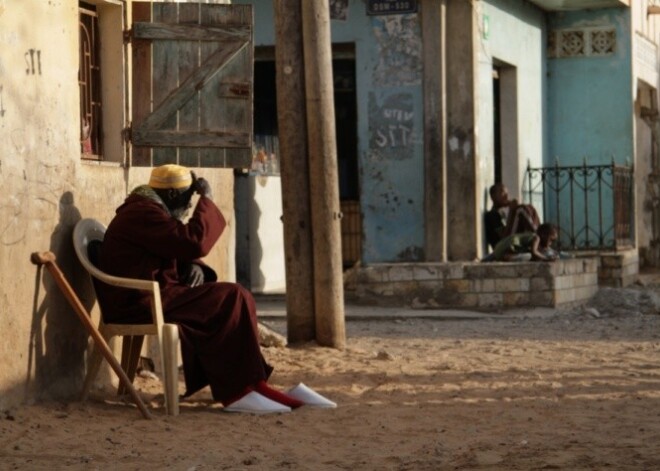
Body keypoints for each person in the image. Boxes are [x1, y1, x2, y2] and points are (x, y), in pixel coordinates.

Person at [95, 164, 335, 414]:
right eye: (190, 199)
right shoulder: (143, 212)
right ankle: (240, 390)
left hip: (156, 294)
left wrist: (193, 265)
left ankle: (253, 383)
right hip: (139, 301)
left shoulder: (149, 209)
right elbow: (192, 241)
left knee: (234, 298)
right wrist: (207, 199)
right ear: (174, 195)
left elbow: (171, 245)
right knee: (232, 296)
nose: (190, 207)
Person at [485, 183, 540, 251]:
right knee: (521, 209)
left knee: (529, 207)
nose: (506, 196)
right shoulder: (492, 215)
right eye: (502, 192)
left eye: (507, 193)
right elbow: (503, 236)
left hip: (513, 240)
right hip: (503, 246)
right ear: (493, 197)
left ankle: (538, 236)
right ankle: (539, 237)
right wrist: (512, 211)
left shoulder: (503, 211)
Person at [486, 222, 559, 262]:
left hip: (498, 249)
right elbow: (534, 252)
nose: (550, 243)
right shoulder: (536, 238)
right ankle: (508, 257)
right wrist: (546, 259)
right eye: (551, 240)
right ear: (543, 235)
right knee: (528, 256)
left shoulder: (531, 236)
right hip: (506, 249)